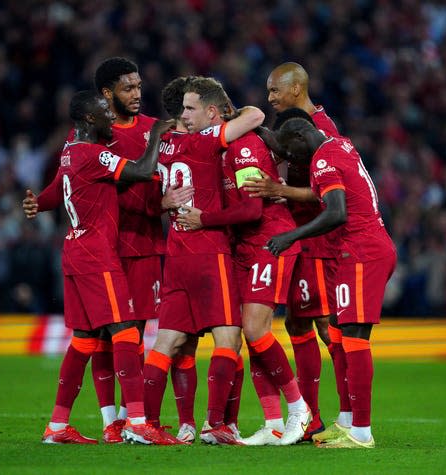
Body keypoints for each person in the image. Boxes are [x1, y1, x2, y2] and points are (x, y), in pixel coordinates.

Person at [22, 90, 179, 445]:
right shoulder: (94, 155)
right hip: (97, 255)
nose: (112, 118)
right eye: (105, 112)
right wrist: (155, 135)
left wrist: (39, 203)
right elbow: (142, 170)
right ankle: (137, 422)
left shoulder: (69, 152)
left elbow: (57, 190)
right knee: (125, 332)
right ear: (90, 120)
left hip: (75, 251)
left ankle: (58, 426)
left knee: (84, 340)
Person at [176, 109, 313, 446]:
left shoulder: (244, 147)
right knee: (243, 334)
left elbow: (252, 210)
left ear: (212, 112)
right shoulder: (215, 151)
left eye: (191, 109)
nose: (185, 116)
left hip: (270, 241)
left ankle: (299, 408)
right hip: (242, 247)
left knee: (255, 328)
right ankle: (272, 422)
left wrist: (205, 219)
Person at [142, 76, 264, 445]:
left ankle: (145, 424)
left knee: (167, 343)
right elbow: (256, 115)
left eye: (190, 108)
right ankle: (216, 424)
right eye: (187, 108)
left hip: (175, 253)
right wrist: (227, 112)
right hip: (209, 252)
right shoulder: (200, 142)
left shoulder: (160, 147)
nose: (187, 114)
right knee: (229, 339)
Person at [265, 118, 397, 449]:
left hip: (361, 251)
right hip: (365, 248)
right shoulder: (341, 144)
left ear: (299, 136)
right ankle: (348, 421)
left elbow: (336, 212)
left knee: (353, 337)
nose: (292, 159)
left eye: (291, 151)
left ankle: (362, 433)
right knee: (338, 330)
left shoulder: (323, 159)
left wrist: (292, 234)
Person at [243, 61, 342, 440]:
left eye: (274, 91)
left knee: (323, 325)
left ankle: (347, 414)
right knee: (300, 323)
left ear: (296, 90)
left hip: (317, 240)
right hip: (299, 238)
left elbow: (329, 193)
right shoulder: (296, 127)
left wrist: (281, 192)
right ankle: (314, 417)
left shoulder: (322, 131)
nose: (270, 98)